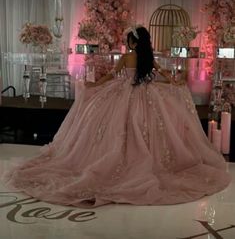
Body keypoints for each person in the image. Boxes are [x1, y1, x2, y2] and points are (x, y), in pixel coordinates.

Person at [3, 26, 231, 208]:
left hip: (123, 92)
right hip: (147, 93)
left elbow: (111, 76)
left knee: (116, 127)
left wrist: (94, 85)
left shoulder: (127, 57)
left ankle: (121, 157)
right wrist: (177, 82)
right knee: (146, 127)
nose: (127, 43)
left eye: (128, 40)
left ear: (132, 42)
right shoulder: (147, 58)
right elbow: (164, 75)